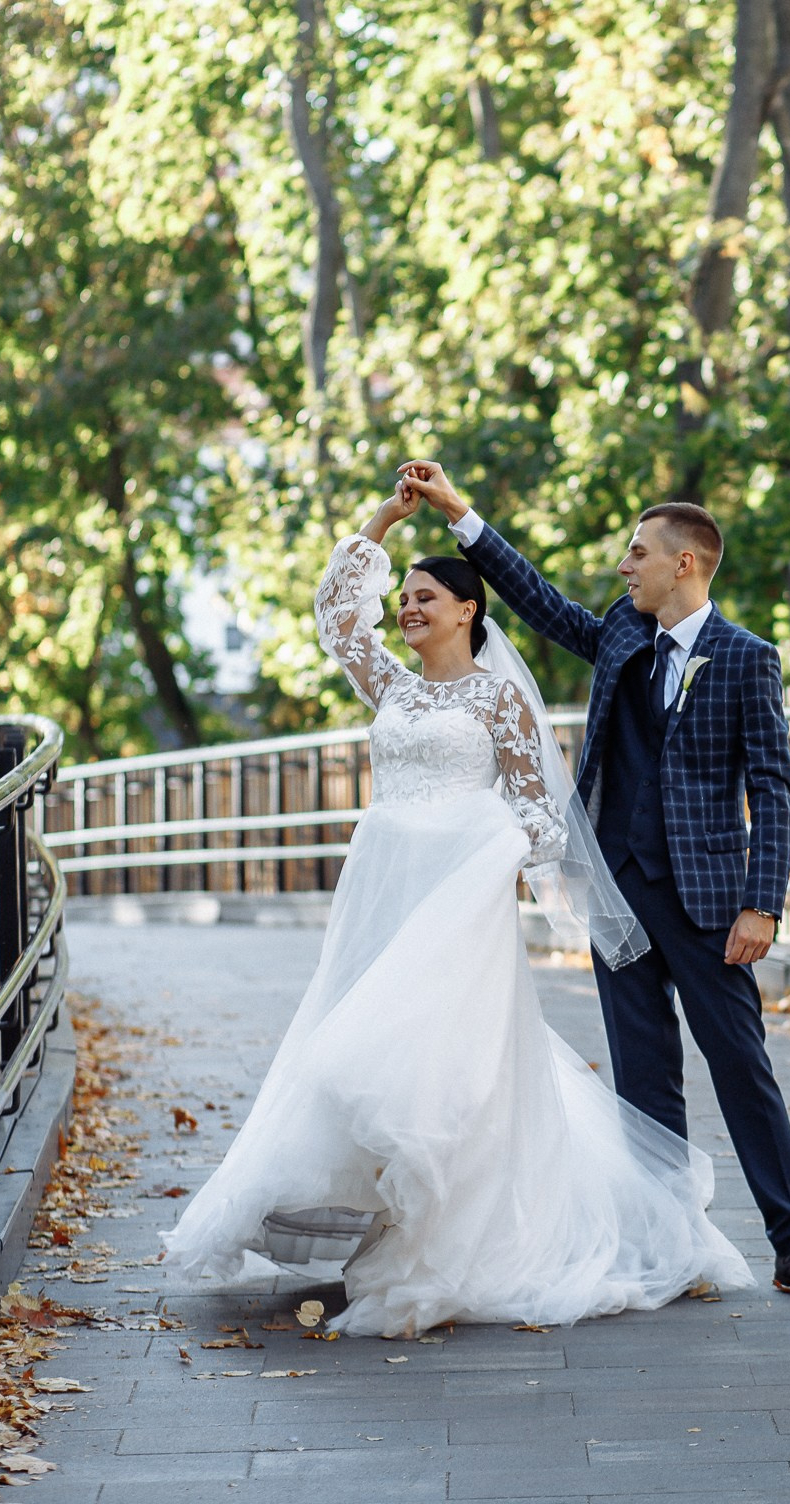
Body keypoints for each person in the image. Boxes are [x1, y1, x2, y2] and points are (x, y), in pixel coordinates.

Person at [162, 474, 751, 1335]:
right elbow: (338, 618)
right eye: (403, 598)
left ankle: (444, 1237)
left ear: (468, 611)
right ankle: (388, 1219)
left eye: (424, 597)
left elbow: (539, 812)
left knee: (428, 1063)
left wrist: (501, 861)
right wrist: (387, 517)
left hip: (458, 899)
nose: (407, 609)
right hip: (382, 888)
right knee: (356, 1040)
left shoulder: (497, 698)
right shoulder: (392, 688)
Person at [396, 458, 790, 1303]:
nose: (623, 566)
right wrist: (460, 513)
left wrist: (763, 902)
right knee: (643, 1080)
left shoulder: (746, 658)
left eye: (638, 553)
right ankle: (664, 1246)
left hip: (710, 902)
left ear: (685, 562)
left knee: (741, 1067)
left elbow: (772, 787)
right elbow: (538, 601)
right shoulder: (619, 633)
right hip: (616, 889)